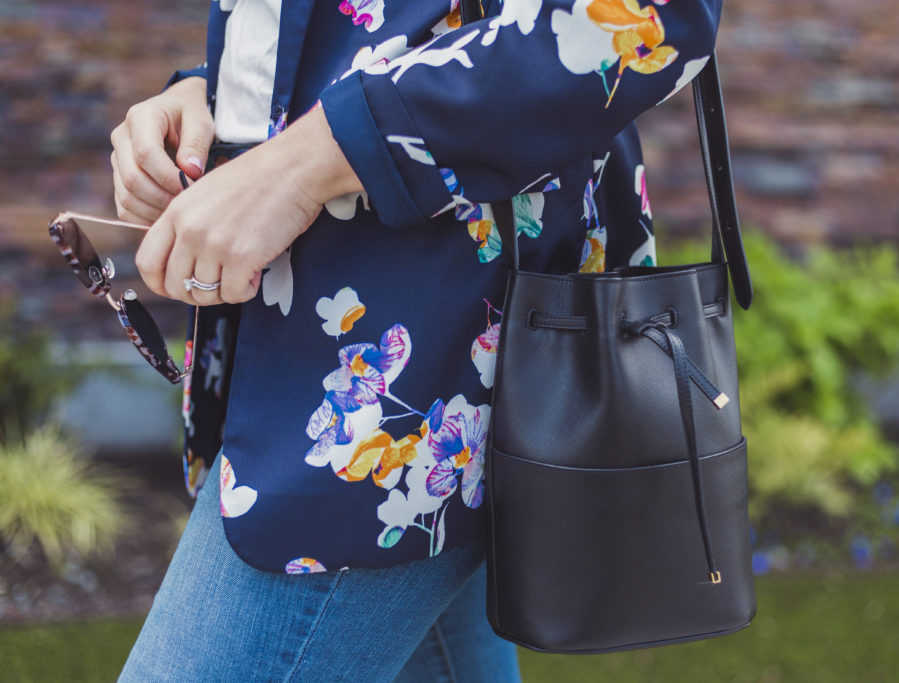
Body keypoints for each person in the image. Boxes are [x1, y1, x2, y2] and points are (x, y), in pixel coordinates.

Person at [114, 0, 723, 679]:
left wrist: (306, 161)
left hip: (431, 345)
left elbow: (652, 15)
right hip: (342, 329)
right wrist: (209, 96)